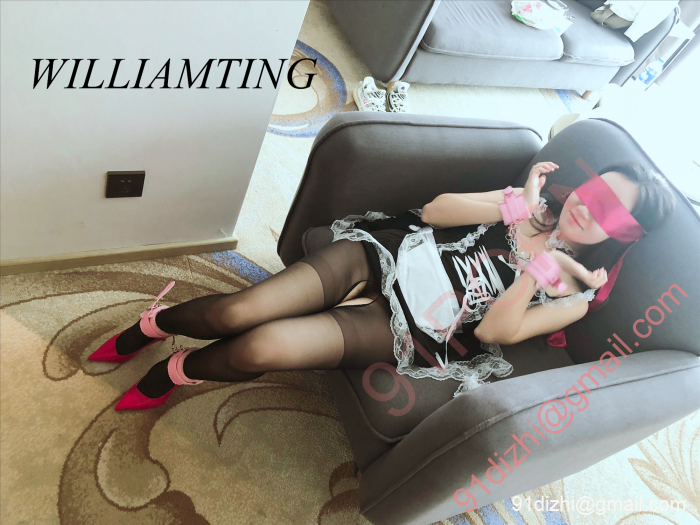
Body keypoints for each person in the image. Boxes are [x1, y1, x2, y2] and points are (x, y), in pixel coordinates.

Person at [89, 160, 675, 409]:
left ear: (623, 235)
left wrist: (540, 271)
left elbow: (496, 332)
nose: (587, 209)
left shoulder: (574, 296)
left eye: (611, 212)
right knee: (235, 313)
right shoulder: (531, 203)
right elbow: (435, 210)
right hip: (384, 258)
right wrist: (513, 209)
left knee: (262, 347)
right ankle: (155, 323)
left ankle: (177, 371)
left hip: (414, 327)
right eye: (594, 192)